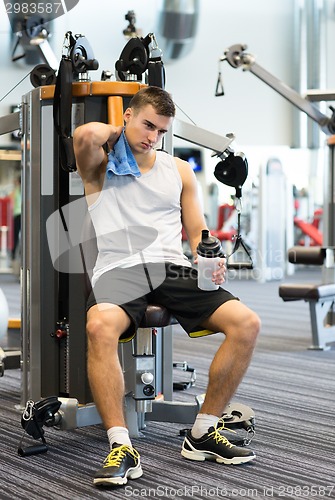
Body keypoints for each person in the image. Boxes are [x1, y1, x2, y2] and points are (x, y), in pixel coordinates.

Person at [73, 86, 261, 487]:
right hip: (120, 267)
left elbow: (197, 231)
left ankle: (202, 432)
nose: (152, 137)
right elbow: (85, 135)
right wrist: (122, 139)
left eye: (160, 130)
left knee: (246, 323)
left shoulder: (177, 170)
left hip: (170, 268)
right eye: (146, 125)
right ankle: (121, 445)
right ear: (127, 116)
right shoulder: (101, 165)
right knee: (98, 326)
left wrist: (208, 255)